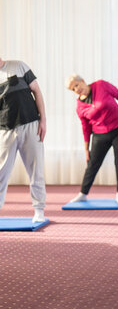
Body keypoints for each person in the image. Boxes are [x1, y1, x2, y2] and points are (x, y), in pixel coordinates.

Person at [65, 75, 118, 204]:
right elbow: (86, 128)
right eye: (73, 89)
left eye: (76, 85)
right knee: (92, 164)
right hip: (100, 134)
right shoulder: (79, 107)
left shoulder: (101, 85)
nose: (76, 89)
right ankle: (83, 193)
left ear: (83, 81)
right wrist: (86, 148)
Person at [0, 58, 47, 222]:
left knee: (36, 170)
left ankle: (39, 210)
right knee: (1, 172)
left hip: (30, 124)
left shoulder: (18, 66)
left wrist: (43, 121)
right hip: (5, 130)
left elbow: (37, 92)